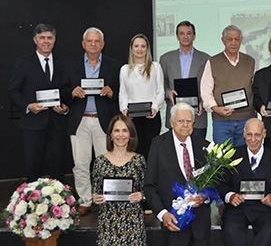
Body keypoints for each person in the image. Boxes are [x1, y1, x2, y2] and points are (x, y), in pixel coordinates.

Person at [144, 102, 211, 246]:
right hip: (173, 220)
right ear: (171, 122)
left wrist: (205, 196)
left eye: (189, 121)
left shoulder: (205, 146)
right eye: (181, 121)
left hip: (200, 221)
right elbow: (149, 186)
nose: (185, 125)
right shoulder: (158, 145)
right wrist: (162, 214)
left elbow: (215, 181)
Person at [65, 27, 122, 216]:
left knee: (105, 164)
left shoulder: (114, 65)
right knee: (80, 163)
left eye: (97, 41)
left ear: (103, 44)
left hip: (103, 121)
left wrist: (112, 92)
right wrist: (71, 93)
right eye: (90, 41)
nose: (93, 44)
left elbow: (121, 93)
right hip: (79, 120)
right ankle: (85, 200)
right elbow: (62, 90)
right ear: (83, 44)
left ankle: (105, 199)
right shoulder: (71, 65)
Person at [8, 23, 69, 182]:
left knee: (58, 166)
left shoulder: (63, 63)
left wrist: (65, 106)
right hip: (33, 125)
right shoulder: (24, 62)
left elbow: (66, 90)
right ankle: (32, 203)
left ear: (54, 41)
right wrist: (28, 106)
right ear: (35, 40)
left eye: (50, 37)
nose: (46, 41)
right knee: (33, 166)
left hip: (57, 124)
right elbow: (13, 91)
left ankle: (61, 204)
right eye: (42, 38)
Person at [218, 118, 271, 246]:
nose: (253, 139)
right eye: (249, 134)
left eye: (257, 135)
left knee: (267, 230)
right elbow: (221, 184)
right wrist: (230, 196)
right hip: (237, 208)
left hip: (265, 209)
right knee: (231, 229)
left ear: (264, 134)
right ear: (243, 134)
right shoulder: (231, 155)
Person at [92, 114, 148, 246]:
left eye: (125, 130)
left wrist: (141, 195)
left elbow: (146, 190)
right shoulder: (100, 161)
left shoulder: (139, 160)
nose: (121, 135)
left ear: (131, 134)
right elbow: (96, 191)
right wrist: (96, 198)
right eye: (117, 131)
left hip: (132, 222)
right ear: (110, 134)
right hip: (108, 222)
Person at [200, 24, 256, 147]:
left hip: (246, 120)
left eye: (237, 39)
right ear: (223, 40)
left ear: (241, 40)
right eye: (230, 39)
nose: (233, 43)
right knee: (223, 159)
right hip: (222, 121)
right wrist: (215, 108)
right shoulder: (213, 62)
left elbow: (256, 88)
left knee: (244, 159)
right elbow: (206, 90)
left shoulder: (250, 61)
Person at [161, 21, 210, 138]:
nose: (185, 36)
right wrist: (168, 92)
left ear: (194, 35)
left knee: (197, 152)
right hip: (174, 113)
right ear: (177, 36)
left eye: (189, 33)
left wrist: (203, 102)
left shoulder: (206, 59)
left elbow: (210, 85)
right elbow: (162, 82)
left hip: (198, 114)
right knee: (174, 153)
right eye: (182, 33)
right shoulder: (166, 59)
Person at [119, 33, 164, 159]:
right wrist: (124, 109)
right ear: (131, 49)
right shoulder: (124, 69)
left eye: (143, 46)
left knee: (151, 152)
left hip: (152, 116)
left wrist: (154, 107)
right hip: (132, 118)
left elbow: (160, 91)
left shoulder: (155, 67)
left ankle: (151, 179)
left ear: (147, 49)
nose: (140, 49)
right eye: (136, 46)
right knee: (135, 152)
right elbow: (123, 93)